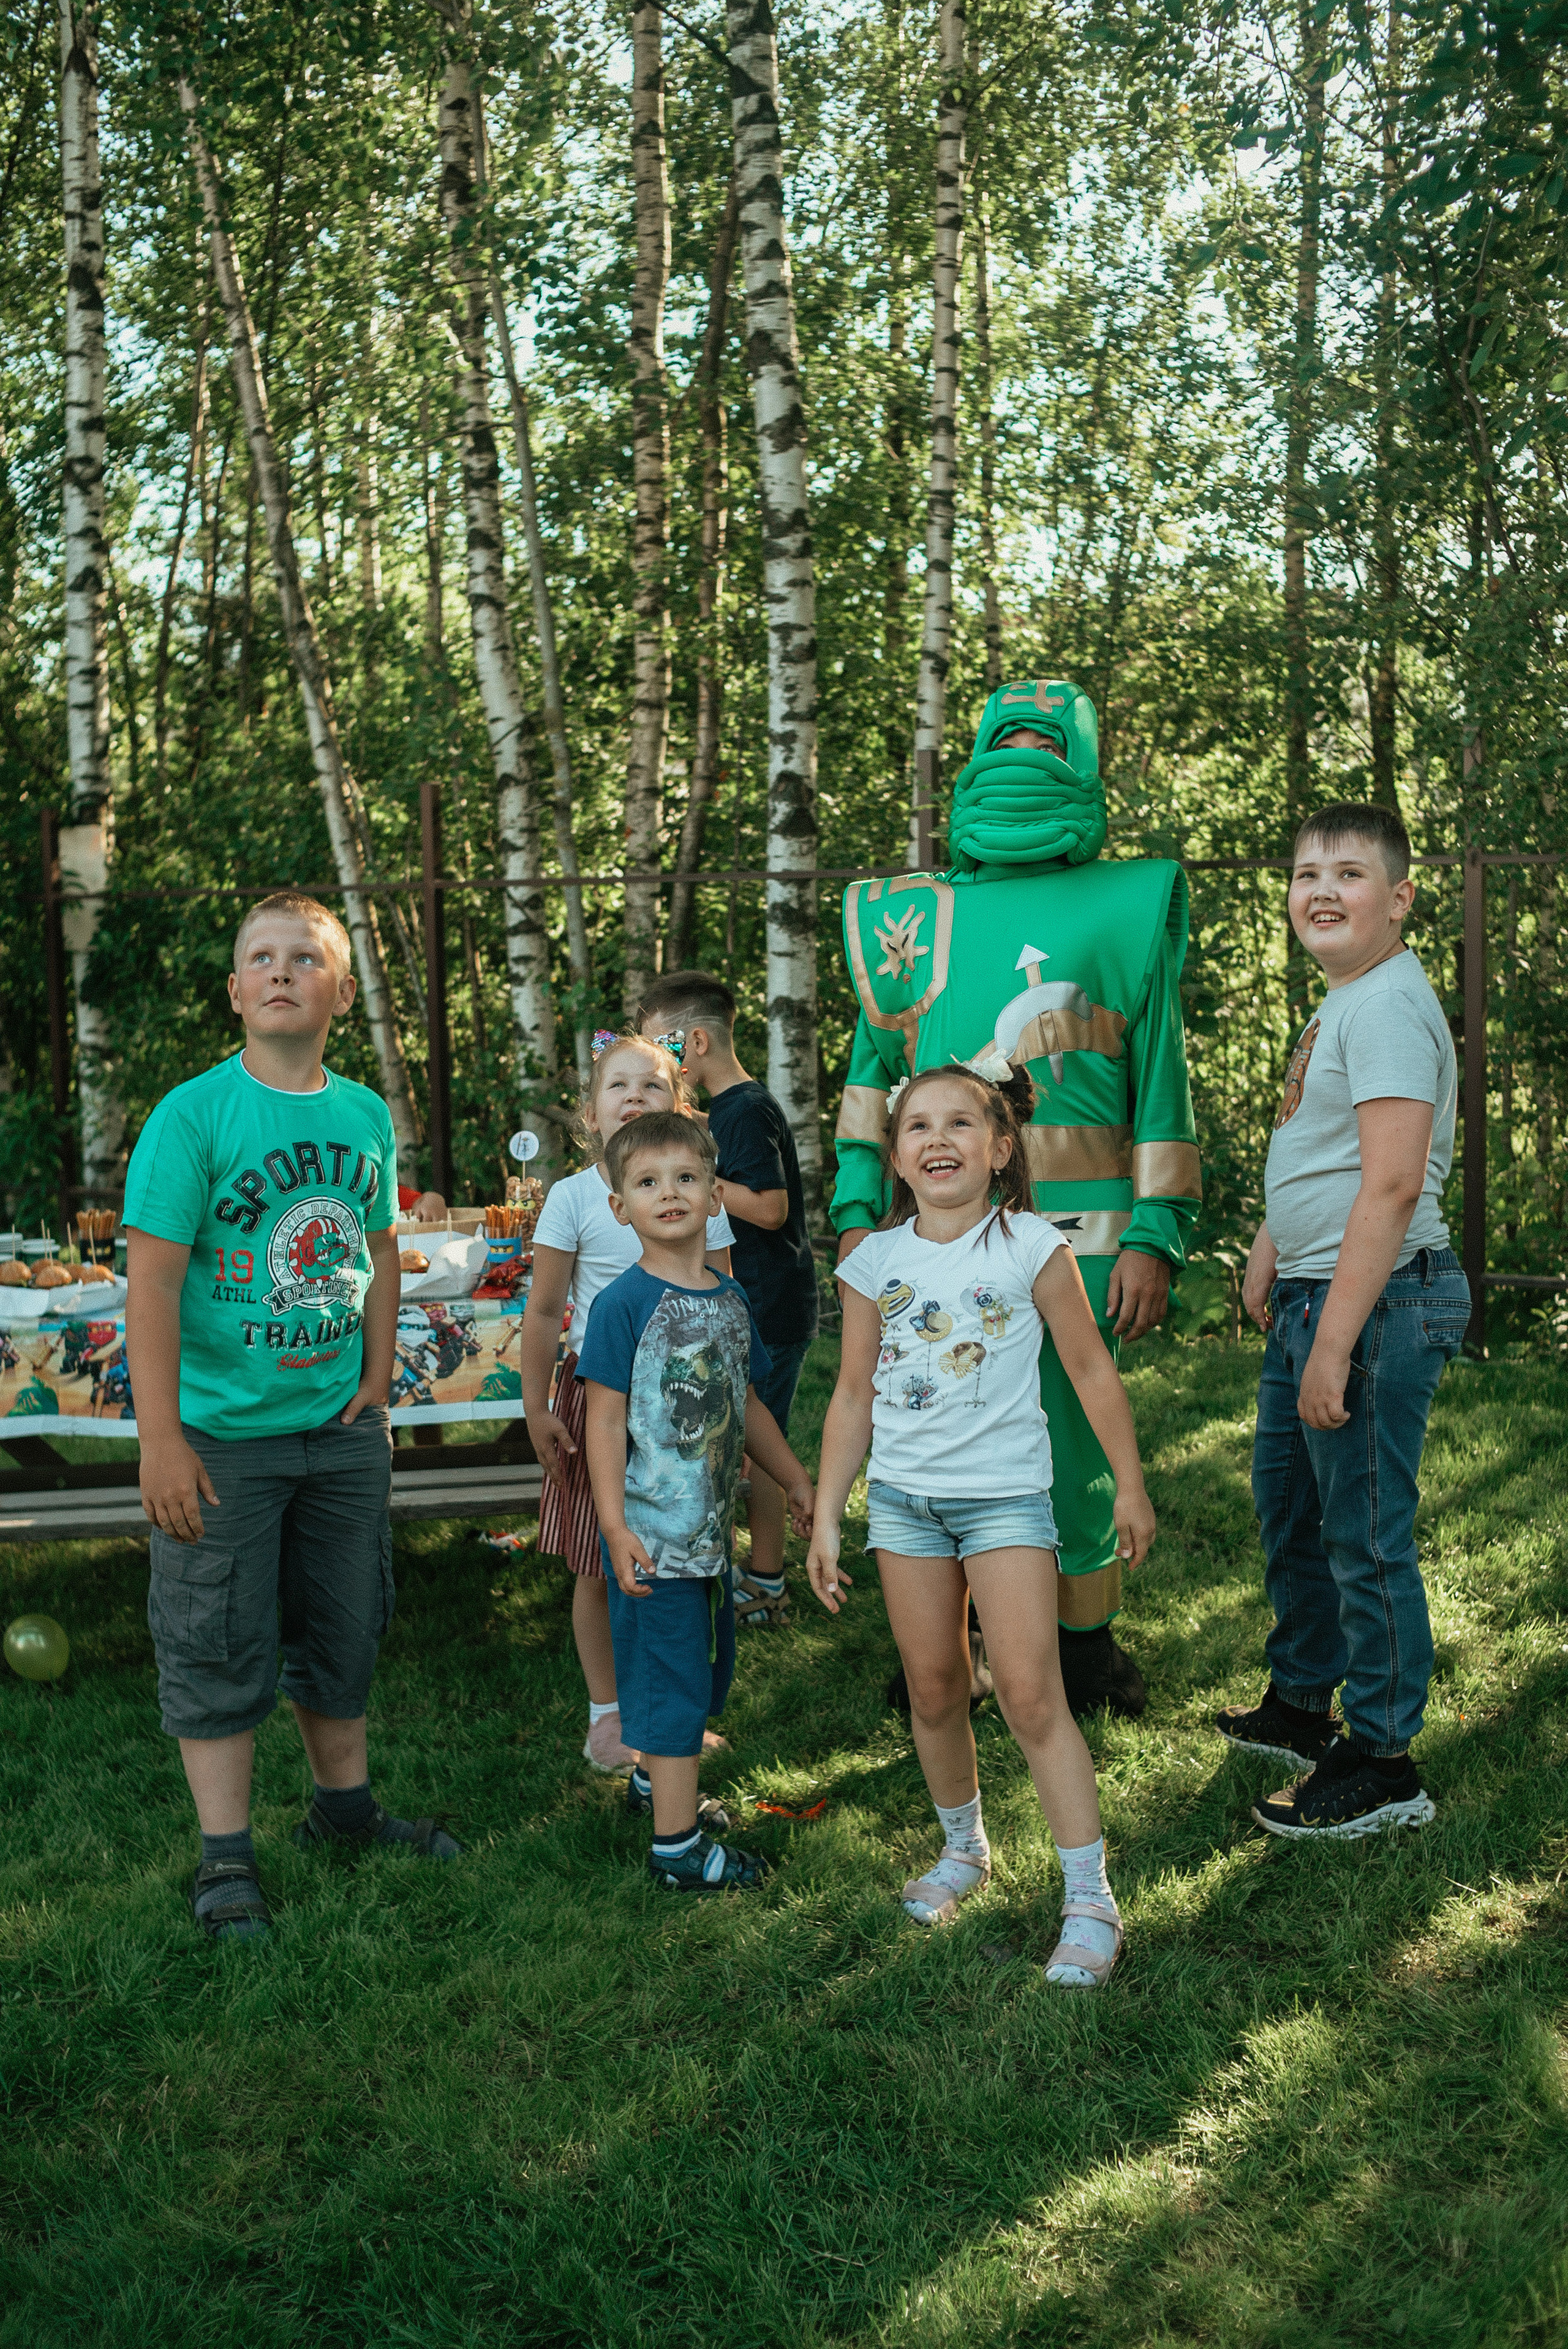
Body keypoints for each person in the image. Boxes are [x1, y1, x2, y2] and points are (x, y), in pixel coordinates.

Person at [830, 679, 1199, 1720]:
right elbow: (871, 1076)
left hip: (1081, 1231)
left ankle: (1081, 1651)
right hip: (928, 1232)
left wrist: (1159, 1231)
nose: (1026, 755)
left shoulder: (1132, 901)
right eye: (1009, 739)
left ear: (1080, 760)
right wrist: (862, 1205)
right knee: (927, 1423)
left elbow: (1160, 1078)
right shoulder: (906, 910)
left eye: (1047, 741)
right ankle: (938, 1649)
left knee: (1071, 1436)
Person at [123, 892, 461, 1945]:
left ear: (341, 993)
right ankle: (226, 1861)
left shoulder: (362, 1115)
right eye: (260, 960)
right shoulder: (192, 1116)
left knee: (345, 1619)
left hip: (339, 1433)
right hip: (222, 1439)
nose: (280, 973)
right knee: (217, 1637)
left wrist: (377, 1377)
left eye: (303, 960)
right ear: (234, 992)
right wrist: (163, 1439)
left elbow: (381, 1250)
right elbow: (152, 1287)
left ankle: (344, 1814)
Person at [807, 1060, 1155, 1985]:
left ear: (1001, 1148)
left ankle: (1090, 1898)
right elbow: (850, 1395)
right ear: (897, 1156)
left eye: (961, 1123)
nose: (938, 1139)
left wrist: (1129, 1483)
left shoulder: (1033, 1245)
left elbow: (1091, 1372)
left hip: (1006, 1500)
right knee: (932, 1688)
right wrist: (833, 1515)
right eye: (918, 1125)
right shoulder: (870, 1261)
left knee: (1033, 1695)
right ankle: (965, 1848)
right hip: (906, 1506)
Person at [1221, 804, 1468, 1836]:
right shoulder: (1346, 999)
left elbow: (1395, 1182)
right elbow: (1322, 1145)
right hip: (1315, 1289)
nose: (1321, 889)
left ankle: (1384, 1758)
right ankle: (1303, 1699)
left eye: (1350, 874)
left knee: (1364, 1534)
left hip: (1376, 1302)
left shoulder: (1388, 1008)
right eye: (1306, 872)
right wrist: (1273, 1244)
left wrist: (1332, 1342)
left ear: (1400, 899)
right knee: (1289, 1500)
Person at [579, 1110, 815, 1890]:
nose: (669, 1193)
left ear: (715, 1195)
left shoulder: (729, 1297)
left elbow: (745, 1406)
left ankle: (654, 1784)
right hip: (651, 1541)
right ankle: (677, 1850)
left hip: (710, 1539)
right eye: (647, 1182)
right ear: (621, 1207)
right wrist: (613, 1524)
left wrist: (794, 1478)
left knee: (705, 1679)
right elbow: (604, 1418)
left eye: (685, 1178)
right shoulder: (623, 1306)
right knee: (674, 1683)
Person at [521, 1033, 736, 1780]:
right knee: (598, 1560)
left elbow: (725, 1305)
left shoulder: (700, 1191)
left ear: (679, 1105)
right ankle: (607, 1715)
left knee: (680, 1561)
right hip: (599, 1401)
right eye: (618, 1086)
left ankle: (671, 1715)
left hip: (684, 1409)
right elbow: (545, 1310)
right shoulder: (574, 1197)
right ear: (591, 1109)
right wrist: (537, 1404)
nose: (634, 1098)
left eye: (651, 1086)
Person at [636, 972, 818, 1629]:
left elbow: (769, 1207)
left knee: (760, 1447)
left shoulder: (747, 1108)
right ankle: (755, 1569)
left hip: (770, 1304)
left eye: (664, 1046)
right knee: (748, 1442)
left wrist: (699, 1178)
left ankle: (766, 1580)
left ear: (699, 1040)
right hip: (765, 1301)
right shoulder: (735, 1109)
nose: (659, 1061)